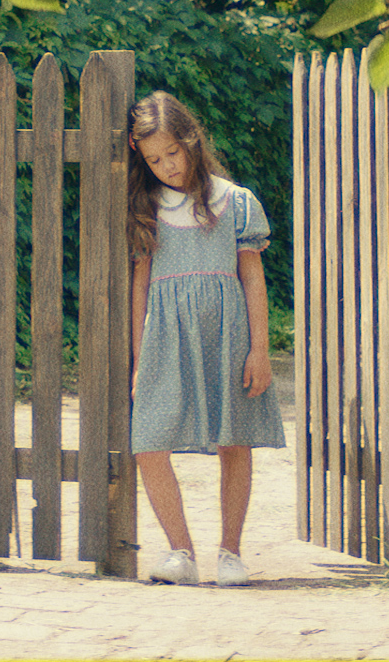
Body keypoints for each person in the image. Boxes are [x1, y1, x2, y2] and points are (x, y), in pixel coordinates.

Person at [125, 91, 285, 587]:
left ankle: (231, 553)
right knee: (148, 442)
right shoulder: (147, 206)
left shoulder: (235, 202)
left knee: (233, 440)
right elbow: (141, 284)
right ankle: (180, 551)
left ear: (191, 141)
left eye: (172, 153)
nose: (166, 166)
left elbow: (253, 277)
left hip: (228, 333)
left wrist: (260, 349)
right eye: (153, 159)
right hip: (165, 337)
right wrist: (138, 357)